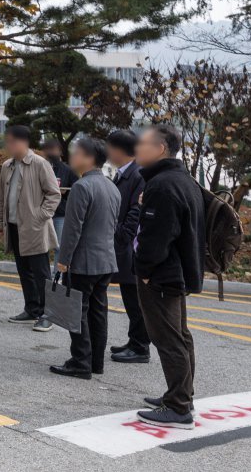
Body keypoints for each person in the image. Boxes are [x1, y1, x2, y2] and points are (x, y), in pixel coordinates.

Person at [133, 124, 204, 430]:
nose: (137, 148)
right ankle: (182, 395)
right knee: (180, 336)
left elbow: (156, 238)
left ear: (160, 149)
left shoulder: (162, 185)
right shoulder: (183, 180)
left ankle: (177, 407)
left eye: (143, 143)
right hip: (178, 272)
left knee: (169, 339)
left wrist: (145, 272)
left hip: (162, 276)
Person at [50, 137, 120, 380]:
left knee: (77, 311)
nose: (73, 157)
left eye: (77, 153)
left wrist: (63, 259)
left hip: (83, 260)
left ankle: (80, 361)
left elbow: (73, 228)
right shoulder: (111, 186)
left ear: (89, 158)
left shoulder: (82, 187)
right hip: (106, 260)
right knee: (98, 311)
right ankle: (95, 362)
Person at [0, 126, 61, 332]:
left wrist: (39, 216)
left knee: (41, 272)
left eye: (12, 141)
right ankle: (31, 308)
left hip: (35, 227)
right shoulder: (7, 165)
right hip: (14, 226)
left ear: (23, 142)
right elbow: (0, 197)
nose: (9, 145)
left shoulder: (40, 164)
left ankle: (48, 314)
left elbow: (54, 194)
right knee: (24, 271)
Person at [106, 129, 150, 365]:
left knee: (135, 300)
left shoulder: (137, 175)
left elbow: (136, 210)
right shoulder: (125, 173)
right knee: (129, 298)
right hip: (123, 245)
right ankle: (134, 341)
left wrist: (122, 234)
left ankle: (141, 347)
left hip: (129, 247)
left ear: (120, 150)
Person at [41, 138, 80, 242]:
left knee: (60, 245)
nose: (51, 152)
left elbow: (77, 191)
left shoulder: (68, 170)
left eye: (54, 149)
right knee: (41, 245)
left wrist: (65, 194)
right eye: (48, 149)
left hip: (61, 214)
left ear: (60, 152)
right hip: (41, 213)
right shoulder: (38, 168)